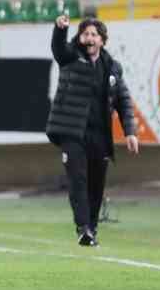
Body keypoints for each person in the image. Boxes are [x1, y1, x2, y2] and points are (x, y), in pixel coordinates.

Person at [46, 13, 139, 247]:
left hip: (100, 134)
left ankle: (92, 227)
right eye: (85, 34)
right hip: (72, 131)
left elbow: (124, 100)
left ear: (102, 40)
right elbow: (58, 48)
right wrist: (60, 29)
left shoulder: (112, 68)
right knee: (78, 179)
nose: (89, 38)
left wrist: (130, 131)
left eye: (93, 35)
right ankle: (82, 227)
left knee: (96, 183)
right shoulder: (70, 57)